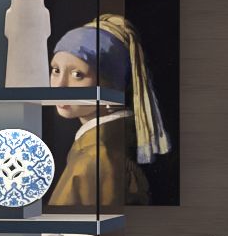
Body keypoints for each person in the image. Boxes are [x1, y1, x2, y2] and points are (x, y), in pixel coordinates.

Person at [48, 16, 170, 209]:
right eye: (55, 70)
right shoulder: (114, 141)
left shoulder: (95, 158)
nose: (60, 86)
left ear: (110, 83)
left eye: (77, 74)